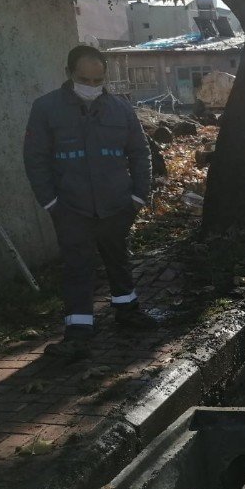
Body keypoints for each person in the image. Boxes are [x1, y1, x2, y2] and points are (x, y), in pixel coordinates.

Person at [24, 45, 158, 360]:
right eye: (85, 79)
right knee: (76, 268)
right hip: (70, 207)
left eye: (98, 80)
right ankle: (78, 331)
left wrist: (138, 196)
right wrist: (51, 204)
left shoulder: (120, 109)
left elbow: (140, 152)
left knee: (119, 260)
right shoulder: (46, 109)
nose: (92, 86)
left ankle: (127, 311)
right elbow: (35, 159)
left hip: (117, 204)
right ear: (69, 74)